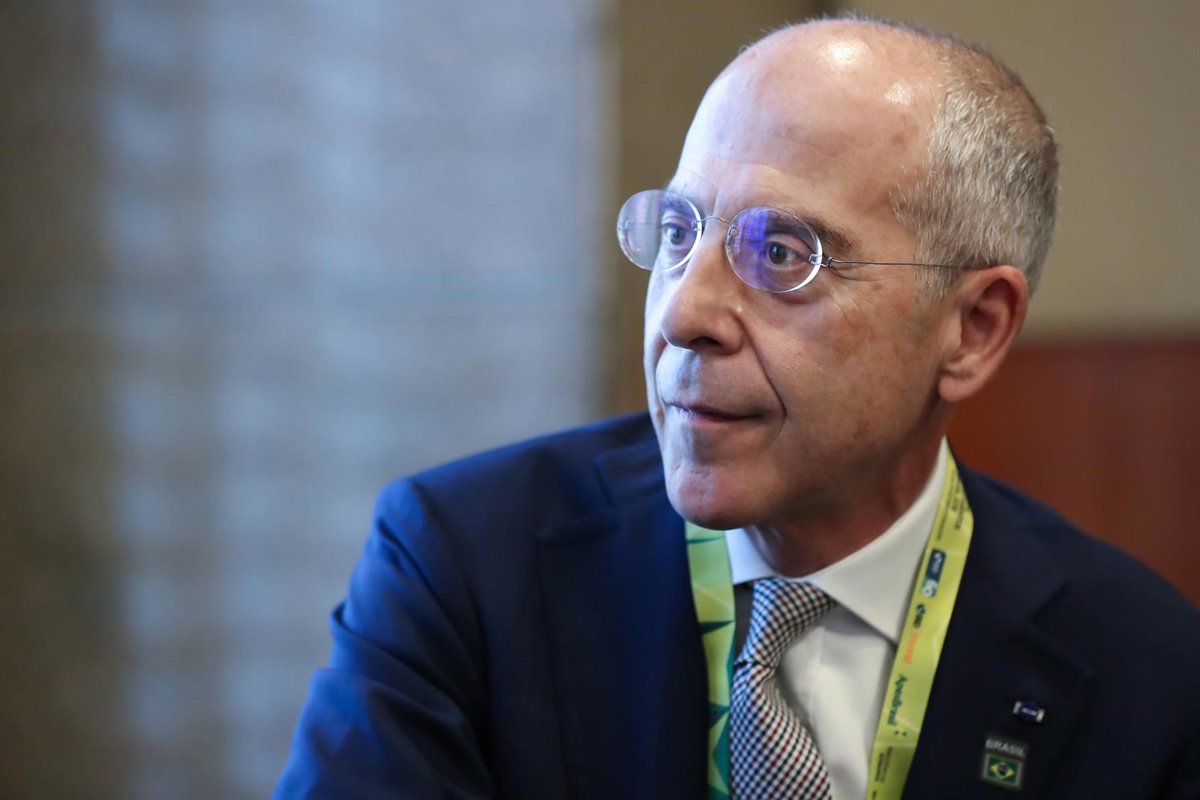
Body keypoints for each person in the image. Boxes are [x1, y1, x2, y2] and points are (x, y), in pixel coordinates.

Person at [274, 14, 1200, 800]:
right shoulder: (465, 566)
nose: (683, 314)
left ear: (972, 330)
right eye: (679, 232)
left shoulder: (1147, 669)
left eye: (782, 254)